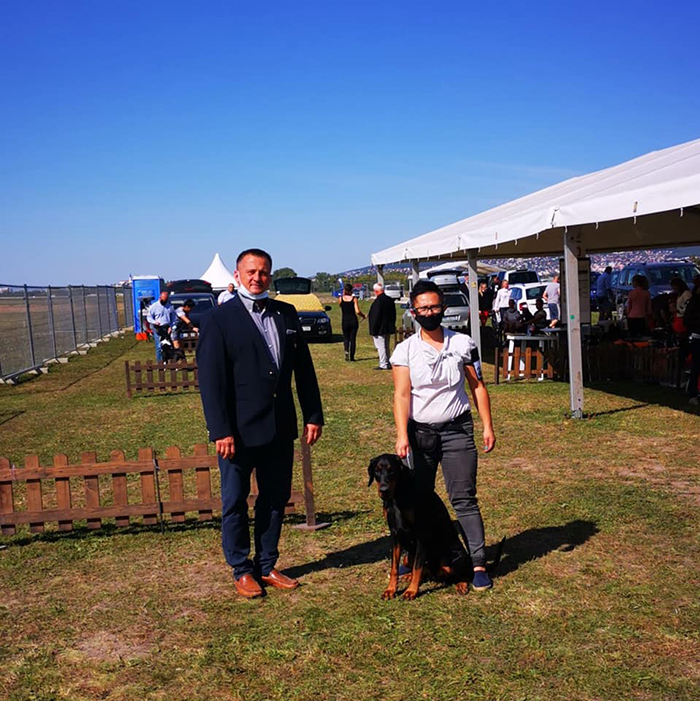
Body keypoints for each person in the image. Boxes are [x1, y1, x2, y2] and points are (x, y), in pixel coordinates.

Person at [197, 248, 324, 598]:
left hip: (279, 426)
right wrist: (220, 430)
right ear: (237, 276)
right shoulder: (218, 319)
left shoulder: (286, 313)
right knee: (235, 501)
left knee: (274, 498)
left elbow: (303, 370)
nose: (257, 278)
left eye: (264, 272)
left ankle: (267, 564)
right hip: (237, 432)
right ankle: (241, 569)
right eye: (251, 272)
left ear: (271, 275)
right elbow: (211, 382)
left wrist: (313, 414)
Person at [391, 280, 496, 591]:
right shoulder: (405, 350)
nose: (429, 312)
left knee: (464, 498)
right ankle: (414, 556)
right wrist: (402, 435)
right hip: (420, 434)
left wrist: (487, 425)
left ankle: (478, 563)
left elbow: (477, 386)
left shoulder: (462, 343)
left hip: (457, 431)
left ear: (443, 308)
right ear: (413, 312)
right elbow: (401, 395)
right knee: (417, 499)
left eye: (434, 307)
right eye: (422, 308)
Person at [367, 282, 396, 370]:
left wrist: (373, 328)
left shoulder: (378, 301)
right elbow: (393, 314)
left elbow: (375, 316)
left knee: (381, 346)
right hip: (388, 326)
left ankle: (383, 364)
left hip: (379, 327)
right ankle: (388, 362)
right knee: (386, 345)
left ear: (376, 291)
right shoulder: (390, 300)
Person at [146, 290, 177, 362]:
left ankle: (168, 360)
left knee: (169, 345)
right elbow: (149, 317)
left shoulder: (170, 306)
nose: (164, 301)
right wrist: (154, 322)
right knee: (159, 346)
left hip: (167, 328)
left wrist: (171, 326)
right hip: (158, 328)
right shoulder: (154, 306)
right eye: (163, 300)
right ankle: (160, 362)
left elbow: (173, 317)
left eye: (166, 300)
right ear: (160, 298)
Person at [339, 283, 366, 361]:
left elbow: (340, 306)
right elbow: (357, 311)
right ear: (351, 290)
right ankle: (352, 357)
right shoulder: (354, 299)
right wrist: (363, 316)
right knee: (353, 338)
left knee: (346, 338)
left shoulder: (340, 298)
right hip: (353, 320)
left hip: (345, 320)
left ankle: (346, 351)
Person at [684, 277, 700, 405]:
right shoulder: (694, 301)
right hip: (697, 335)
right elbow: (687, 319)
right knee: (696, 365)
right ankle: (693, 392)